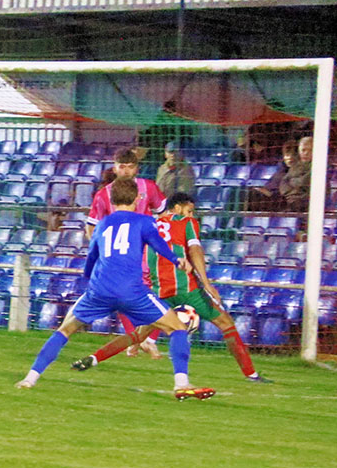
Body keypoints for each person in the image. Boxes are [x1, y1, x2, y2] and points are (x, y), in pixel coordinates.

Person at [15, 178, 213, 401]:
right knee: (176, 328)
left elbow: (91, 258)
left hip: (100, 290)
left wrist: (89, 281)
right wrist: (177, 260)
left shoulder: (102, 224)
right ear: (137, 198)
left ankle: (30, 379)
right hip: (132, 291)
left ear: (111, 199)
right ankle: (182, 384)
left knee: (65, 330)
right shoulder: (144, 221)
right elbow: (159, 244)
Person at [71, 192, 272, 384]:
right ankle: (251, 374)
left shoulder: (148, 224)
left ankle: (94, 358)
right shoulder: (187, 223)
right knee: (226, 324)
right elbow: (195, 250)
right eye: (189, 210)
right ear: (177, 208)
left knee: (139, 334)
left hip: (160, 292)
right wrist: (207, 284)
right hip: (187, 290)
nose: (191, 215)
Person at [87, 147, 167, 358]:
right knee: (123, 294)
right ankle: (136, 338)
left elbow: (164, 214)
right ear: (114, 168)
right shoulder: (103, 195)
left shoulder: (149, 187)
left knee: (158, 291)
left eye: (130, 167)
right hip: (120, 253)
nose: (126, 171)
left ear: (136, 168)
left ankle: (147, 339)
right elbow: (92, 225)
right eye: (122, 167)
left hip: (147, 251)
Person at [246, 140, 298, 212]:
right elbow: (269, 187)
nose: (290, 157)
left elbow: (289, 195)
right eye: (287, 154)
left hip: (280, 204)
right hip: (267, 200)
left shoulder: (298, 174)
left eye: (294, 155)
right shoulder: (280, 171)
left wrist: (271, 194)